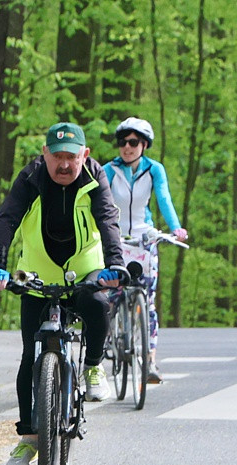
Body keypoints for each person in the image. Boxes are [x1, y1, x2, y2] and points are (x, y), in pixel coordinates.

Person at [0, 122, 126, 465]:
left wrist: (115, 265)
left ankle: (93, 365)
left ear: (85, 155)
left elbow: (108, 220)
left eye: (72, 157)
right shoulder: (31, 178)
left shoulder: (95, 178)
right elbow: (7, 220)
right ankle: (29, 438)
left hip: (86, 269)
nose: (64, 165)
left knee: (96, 304)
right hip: (36, 273)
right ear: (44, 154)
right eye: (57, 157)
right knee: (29, 355)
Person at [103, 117, 188, 384]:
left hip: (144, 238)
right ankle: (107, 339)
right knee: (110, 295)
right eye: (122, 142)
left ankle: (150, 360)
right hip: (115, 238)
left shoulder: (154, 170)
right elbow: (100, 201)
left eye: (133, 142)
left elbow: (164, 198)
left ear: (144, 145)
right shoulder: (108, 170)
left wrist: (175, 228)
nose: (126, 147)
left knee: (147, 300)